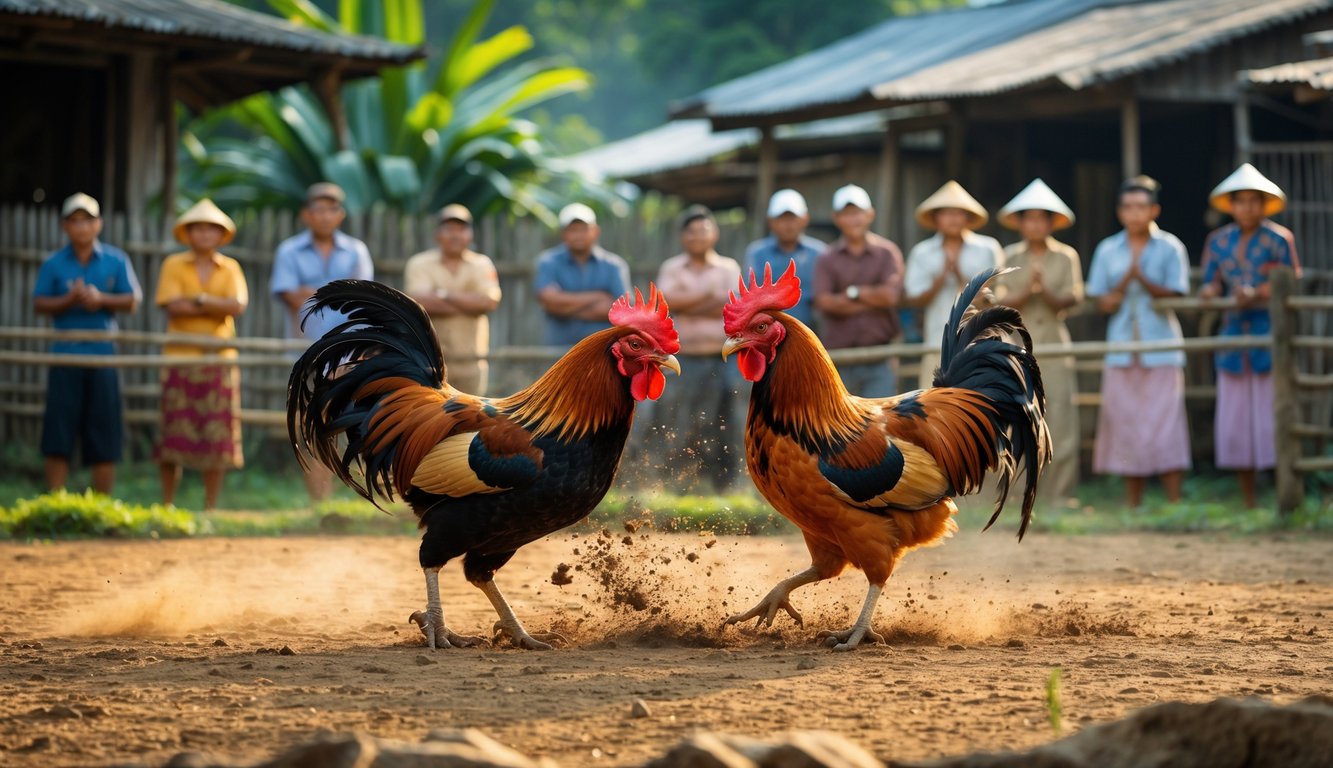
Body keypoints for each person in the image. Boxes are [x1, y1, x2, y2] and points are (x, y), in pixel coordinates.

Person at [1086, 175, 1191, 508]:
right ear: (1120, 212)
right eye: (1128, 207)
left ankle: (1174, 502)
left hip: (1161, 346)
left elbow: (1177, 292)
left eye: (1141, 207)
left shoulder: (1171, 246)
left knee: (1166, 421)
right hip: (1121, 347)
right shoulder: (1107, 249)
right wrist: (1122, 284)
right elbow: (1100, 301)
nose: (1134, 214)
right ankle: (1134, 503)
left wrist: (1141, 278)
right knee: (1125, 421)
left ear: (1154, 210)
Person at [1199, 164, 1300, 509]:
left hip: (1269, 334)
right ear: (1231, 205)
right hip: (1232, 336)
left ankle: (1281, 494)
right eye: (1240, 202)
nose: (1247, 208)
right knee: (1236, 421)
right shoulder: (1218, 241)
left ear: (1263, 204)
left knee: (1274, 415)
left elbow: (1290, 280)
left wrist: (1257, 292)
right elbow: (1210, 280)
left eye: (1254, 201)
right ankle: (1248, 501)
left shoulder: (1279, 239)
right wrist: (1211, 292)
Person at [32, 193, 142, 494]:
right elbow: (39, 303)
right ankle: (56, 500)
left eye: (87, 220)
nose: (82, 226)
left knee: (104, 432)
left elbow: (133, 299)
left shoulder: (116, 260)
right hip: (64, 356)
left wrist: (100, 298)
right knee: (58, 431)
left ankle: (101, 505)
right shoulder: (53, 264)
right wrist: (69, 299)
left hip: (103, 357)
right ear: (65, 226)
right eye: (75, 220)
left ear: (99, 224)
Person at [271, 182, 374, 501]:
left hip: (351, 355)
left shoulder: (357, 250)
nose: (325, 216)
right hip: (306, 355)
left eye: (331, 209)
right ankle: (320, 500)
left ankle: (359, 498)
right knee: (311, 425)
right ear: (306, 214)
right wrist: (338, 291)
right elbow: (290, 296)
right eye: (318, 209)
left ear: (340, 215)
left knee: (358, 424)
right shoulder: (289, 250)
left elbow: (362, 298)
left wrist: (311, 290)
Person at [994, 179, 1084, 508]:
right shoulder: (1008, 256)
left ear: (1050, 222)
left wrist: (1044, 290)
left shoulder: (1066, 256)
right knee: (1016, 414)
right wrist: (1027, 290)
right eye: (1028, 218)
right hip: (1017, 342)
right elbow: (999, 302)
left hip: (1055, 342)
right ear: (1020, 223)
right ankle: (1017, 494)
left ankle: (1059, 495)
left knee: (1060, 414)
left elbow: (1073, 298)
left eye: (1041, 218)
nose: (1035, 224)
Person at [155, 199, 248, 511]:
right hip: (179, 358)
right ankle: (168, 504)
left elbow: (237, 306)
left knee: (217, 433)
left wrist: (196, 300)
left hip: (219, 361)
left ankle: (211, 507)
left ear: (221, 235)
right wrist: (213, 305)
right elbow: (171, 307)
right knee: (173, 432)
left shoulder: (231, 267)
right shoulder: (172, 265)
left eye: (212, 229)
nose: (205, 234)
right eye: (199, 228)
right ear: (188, 233)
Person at [654, 205, 744, 491]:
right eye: (691, 231)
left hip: (722, 360)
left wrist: (688, 302)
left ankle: (723, 486)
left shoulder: (729, 267)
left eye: (703, 229)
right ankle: (678, 485)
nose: (697, 236)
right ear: (682, 237)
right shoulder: (671, 267)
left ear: (714, 233)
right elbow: (666, 303)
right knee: (679, 420)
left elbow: (730, 304)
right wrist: (709, 297)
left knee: (724, 420)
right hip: (683, 360)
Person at [903, 180, 1004, 383]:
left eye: (958, 213)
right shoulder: (922, 252)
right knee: (934, 404)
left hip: (979, 339)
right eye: (946, 213)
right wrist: (940, 279)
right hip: (936, 340)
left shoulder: (987, 248)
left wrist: (959, 275)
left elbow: (993, 296)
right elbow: (913, 299)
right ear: (936, 218)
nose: (953, 219)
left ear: (968, 217)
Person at [812, 184, 905, 398]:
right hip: (839, 359)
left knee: (880, 423)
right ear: (836, 218)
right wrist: (873, 299)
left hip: (881, 356)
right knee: (841, 427)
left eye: (858, 213)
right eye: (846, 214)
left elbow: (891, 296)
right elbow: (824, 302)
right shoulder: (827, 258)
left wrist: (853, 294)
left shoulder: (887, 252)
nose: (853, 219)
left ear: (870, 214)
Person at [404, 204, 502, 395]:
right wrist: (469, 305)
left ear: (470, 234)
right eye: (449, 229)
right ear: (437, 234)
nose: (455, 235)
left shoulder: (482, 264)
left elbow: (488, 302)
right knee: (429, 421)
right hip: (428, 363)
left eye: (461, 229)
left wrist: (443, 294)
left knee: (470, 421)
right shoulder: (419, 263)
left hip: (472, 362)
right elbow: (418, 302)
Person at [533, 203, 630, 348]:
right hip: (559, 351)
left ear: (596, 231)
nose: (578, 235)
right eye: (572, 230)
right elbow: (549, 300)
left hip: (603, 351)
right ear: (563, 233)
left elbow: (623, 310)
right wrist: (598, 297)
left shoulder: (614, 265)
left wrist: (563, 308)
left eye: (584, 229)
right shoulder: (548, 262)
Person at [743, 189, 824, 328]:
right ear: (771, 221)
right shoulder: (757, 253)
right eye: (781, 218)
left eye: (792, 218)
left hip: (812, 334)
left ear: (805, 219)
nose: (788, 224)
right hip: (768, 335)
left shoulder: (819, 252)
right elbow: (749, 297)